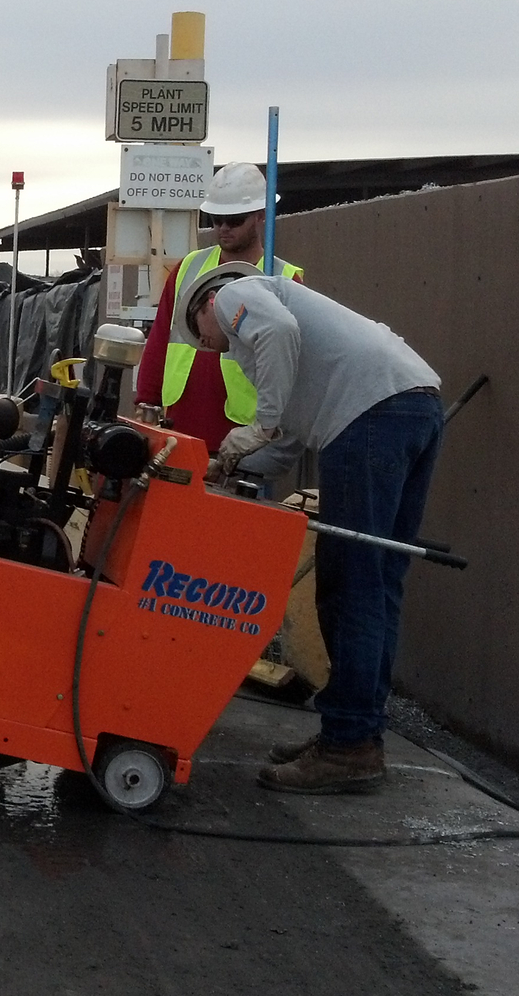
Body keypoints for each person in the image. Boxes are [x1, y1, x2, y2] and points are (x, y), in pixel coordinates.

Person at [182, 264, 443, 794]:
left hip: (370, 417)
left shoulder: (237, 293)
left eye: (202, 336)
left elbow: (274, 346)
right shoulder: (286, 350)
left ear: (204, 305)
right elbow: (283, 444)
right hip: (411, 406)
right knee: (376, 587)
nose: (213, 347)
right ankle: (355, 736)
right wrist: (224, 467)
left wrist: (255, 424)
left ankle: (347, 745)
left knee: (348, 587)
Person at [135, 163, 303, 461]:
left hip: (241, 432)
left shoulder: (284, 280)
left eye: (235, 220)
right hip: (180, 420)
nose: (224, 228)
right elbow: (160, 335)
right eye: (217, 219)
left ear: (260, 215)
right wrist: (146, 400)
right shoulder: (188, 267)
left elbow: (291, 365)